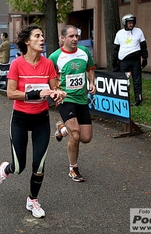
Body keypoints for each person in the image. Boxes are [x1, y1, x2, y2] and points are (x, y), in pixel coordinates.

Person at [0, 25, 66, 218]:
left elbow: (54, 87)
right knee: (19, 166)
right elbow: (10, 93)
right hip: (21, 120)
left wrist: (58, 94)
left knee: (39, 166)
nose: (42, 39)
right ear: (27, 41)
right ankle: (5, 169)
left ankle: (32, 200)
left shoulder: (48, 64)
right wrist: (36, 93)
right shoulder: (17, 64)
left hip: (41, 119)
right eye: (37, 36)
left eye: (43, 36)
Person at [49, 25, 96, 182]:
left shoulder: (84, 52)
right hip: (65, 99)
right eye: (71, 36)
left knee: (86, 137)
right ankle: (73, 168)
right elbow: (48, 78)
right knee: (75, 134)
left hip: (81, 99)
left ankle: (62, 128)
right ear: (63, 39)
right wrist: (55, 91)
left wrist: (92, 83)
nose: (75, 39)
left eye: (76, 36)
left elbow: (90, 69)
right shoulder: (55, 57)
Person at [112, 14, 148, 106]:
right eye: (129, 23)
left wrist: (145, 58)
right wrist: (114, 61)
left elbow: (143, 45)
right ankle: (124, 99)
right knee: (123, 80)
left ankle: (138, 99)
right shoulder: (119, 33)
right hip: (124, 60)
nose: (131, 25)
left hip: (135, 59)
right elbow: (115, 48)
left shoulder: (139, 31)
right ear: (125, 23)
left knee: (137, 80)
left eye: (132, 23)